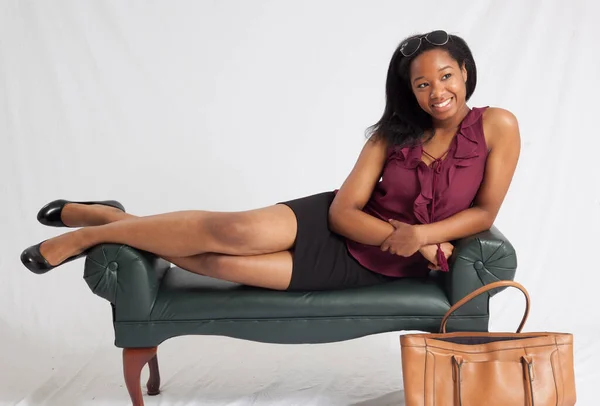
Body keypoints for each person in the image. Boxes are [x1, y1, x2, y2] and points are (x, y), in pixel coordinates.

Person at [20, 30, 520, 292]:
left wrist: (421, 240)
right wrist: (408, 238)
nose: (438, 91)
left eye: (447, 76)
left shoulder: (498, 125)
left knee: (216, 264)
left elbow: (484, 213)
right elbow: (342, 214)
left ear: (466, 72)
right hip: (329, 227)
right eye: (422, 83)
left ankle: (110, 217)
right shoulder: (391, 135)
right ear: (409, 92)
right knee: (231, 231)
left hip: (377, 268)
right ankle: (88, 235)